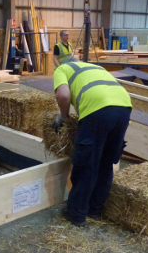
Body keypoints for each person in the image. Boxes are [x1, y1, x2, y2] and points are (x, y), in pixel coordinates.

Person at [53, 58, 132, 227]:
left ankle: (76, 214)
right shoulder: (96, 67)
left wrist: (64, 117)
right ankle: (95, 210)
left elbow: (63, 95)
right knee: (106, 162)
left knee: (86, 164)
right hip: (124, 108)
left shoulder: (62, 69)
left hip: (98, 110)